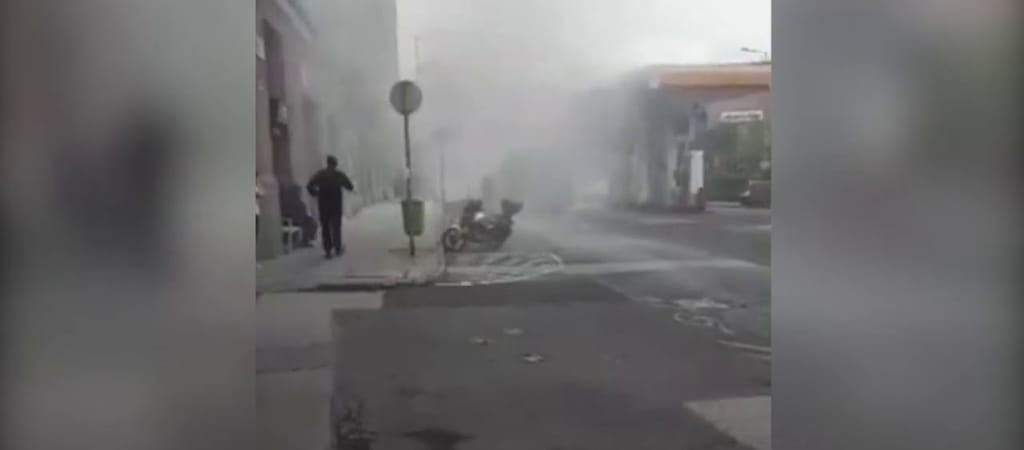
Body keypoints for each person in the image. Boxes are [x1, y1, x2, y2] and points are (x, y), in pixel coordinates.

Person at [306, 155, 354, 258]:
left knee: (325, 228)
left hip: (323, 205)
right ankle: (337, 248)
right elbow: (350, 186)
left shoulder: (320, 174)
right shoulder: (339, 174)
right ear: (335, 164)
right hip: (336, 205)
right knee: (336, 227)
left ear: (327, 163)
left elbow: (309, 185)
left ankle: (328, 250)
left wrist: (316, 193)